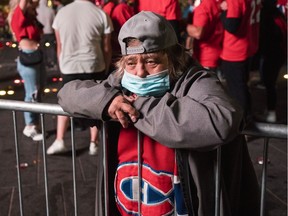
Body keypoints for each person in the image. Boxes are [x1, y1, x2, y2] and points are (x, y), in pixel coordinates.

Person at [57, 11, 260, 215]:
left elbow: (222, 120)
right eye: (131, 62)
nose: (140, 72)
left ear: (173, 59)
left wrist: (138, 106)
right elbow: (67, 94)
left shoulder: (195, 80)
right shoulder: (120, 83)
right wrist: (107, 101)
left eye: (151, 61)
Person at [46, 0, 113, 155]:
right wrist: (106, 67)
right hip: (94, 64)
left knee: (64, 101)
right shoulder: (101, 14)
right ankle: (93, 143)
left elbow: (59, 46)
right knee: (95, 103)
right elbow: (106, 47)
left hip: (69, 66)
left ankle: (60, 139)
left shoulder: (61, 13)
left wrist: (62, 65)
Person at [8, 0, 44, 141]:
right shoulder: (18, 16)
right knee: (32, 93)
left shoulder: (30, 17)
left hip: (36, 57)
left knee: (37, 92)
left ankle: (34, 124)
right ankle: (29, 126)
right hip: (28, 58)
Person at [220, 0, 261, 119]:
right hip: (248, 47)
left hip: (235, 50)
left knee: (237, 91)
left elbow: (232, 26)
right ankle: (248, 118)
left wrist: (224, 11)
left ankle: (243, 126)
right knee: (243, 86)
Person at [257, 0, 287, 123]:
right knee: (270, 83)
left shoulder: (267, 15)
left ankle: (271, 113)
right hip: (279, 53)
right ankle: (269, 110)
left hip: (272, 54)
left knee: (270, 84)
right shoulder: (278, 14)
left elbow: (268, 37)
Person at [186, 0, 223, 71]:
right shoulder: (214, 2)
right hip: (216, 52)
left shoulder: (204, 6)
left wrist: (183, 26)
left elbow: (198, 33)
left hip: (205, 57)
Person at [103, 0, 135, 71]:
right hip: (121, 57)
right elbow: (129, 36)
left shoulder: (107, 6)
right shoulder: (122, 8)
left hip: (111, 56)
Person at [36, 0, 57, 69]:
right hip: (50, 32)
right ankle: (53, 62)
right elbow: (54, 22)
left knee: (42, 49)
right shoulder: (51, 10)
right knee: (52, 48)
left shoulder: (37, 10)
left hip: (41, 33)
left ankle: (44, 63)